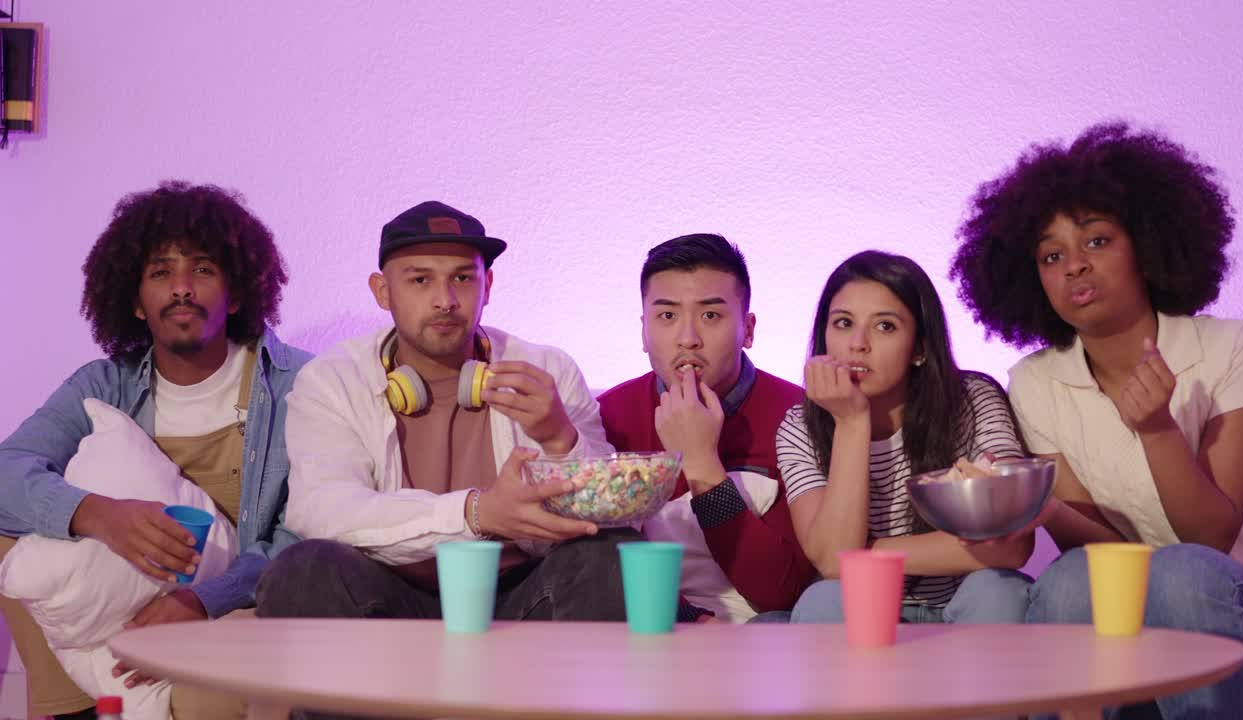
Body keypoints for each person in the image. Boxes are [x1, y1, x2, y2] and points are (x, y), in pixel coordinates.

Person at [951, 120, 1243, 719]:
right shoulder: (1036, 382)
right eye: (1052, 256)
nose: (1075, 266)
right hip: (1129, 614)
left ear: (1147, 247)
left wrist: (1157, 431)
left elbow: (1209, 540)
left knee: (1183, 574)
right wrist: (1044, 508)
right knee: (1069, 578)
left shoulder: (1232, 349)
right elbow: (1107, 556)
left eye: (1097, 241)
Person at [0, 181, 309, 720]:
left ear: (237, 293)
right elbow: (8, 469)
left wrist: (202, 600)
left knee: (213, 689)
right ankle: (78, 710)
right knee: (9, 534)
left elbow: (306, 531)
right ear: (136, 302)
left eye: (203, 269)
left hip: (237, 601)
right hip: (117, 600)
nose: (182, 288)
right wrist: (97, 515)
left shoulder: (297, 386)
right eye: (161, 273)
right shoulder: (103, 385)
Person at [257, 201, 633, 629]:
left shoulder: (546, 370)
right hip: (388, 592)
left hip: (521, 593)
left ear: (487, 286)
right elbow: (322, 509)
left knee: (612, 551)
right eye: (420, 280)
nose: (445, 301)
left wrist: (560, 439)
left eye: (463, 278)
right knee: (303, 569)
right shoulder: (333, 379)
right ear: (382, 291)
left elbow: (609, 513)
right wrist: (477, 513)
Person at [778, 250, 1032, 624]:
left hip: (963, 604)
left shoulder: (972, 399)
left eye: (885, 326)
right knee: (824, 599)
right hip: (864, 606)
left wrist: (861, 554)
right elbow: (831, 561)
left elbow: (1011, 546)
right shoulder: (800, 426)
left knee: (1000, 590)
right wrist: (851, 423)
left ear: (920, 348)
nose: (858, 344)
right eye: (843, 323)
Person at [597, 234, 815, 622]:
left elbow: (783, 594)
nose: (688, 339)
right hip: (649, 623)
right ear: (644, 331)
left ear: (748, 329)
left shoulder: (800, 417)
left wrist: (702, 465)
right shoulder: (607, 416)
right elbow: (593, 565)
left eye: (710, 315)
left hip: (764, 632)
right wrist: (688, 618)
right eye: (667, 316)